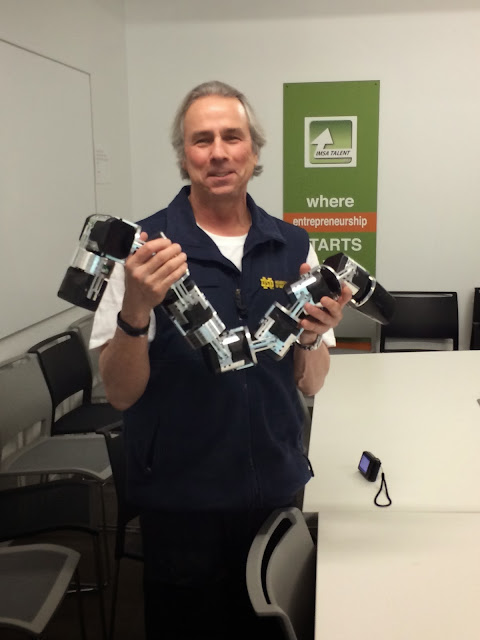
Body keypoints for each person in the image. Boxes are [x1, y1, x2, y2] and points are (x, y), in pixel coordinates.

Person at [90, 80, 352, 639]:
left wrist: (311, 337)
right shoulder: (142, 251)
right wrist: (136, 308)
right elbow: (120, 393)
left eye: (232, 137)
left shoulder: (292, 246)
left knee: (272, 627)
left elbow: (310, 384)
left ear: (254, 151)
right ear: (184, 155)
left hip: (274, 491)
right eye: (201, 140)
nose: (218, 152)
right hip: (183, 504)